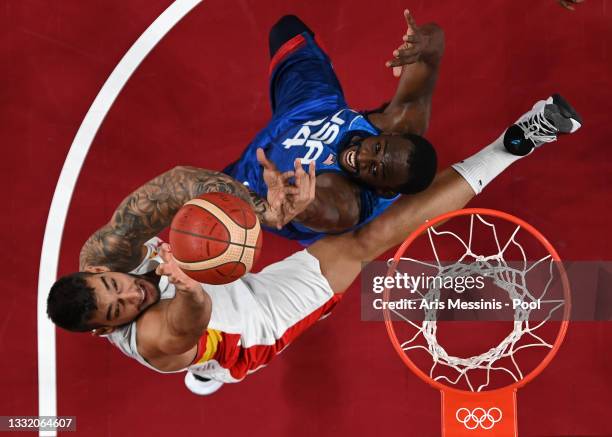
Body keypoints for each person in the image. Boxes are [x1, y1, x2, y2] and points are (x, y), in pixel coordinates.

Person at [46, 88, 582, 395]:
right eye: (118, 310)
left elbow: (177, 182)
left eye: (115, 286)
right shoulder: (154, 341)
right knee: (362, 243)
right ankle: (515, 144)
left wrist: (256, 209)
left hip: (203, 290)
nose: (130, 296)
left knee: (342, 231)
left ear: (97, 271)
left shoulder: (106, 252)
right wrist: (185, 283)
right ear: (104, 332)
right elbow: (194, 315)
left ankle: (511, 144)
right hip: (239, 328)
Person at [223, 11, 443, 245]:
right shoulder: (404, 122)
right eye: (377, 146)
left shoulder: (348, 203)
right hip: (314, 109)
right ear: (390, 135)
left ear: (384, 191)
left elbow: (327, 211)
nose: (363, 157)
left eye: (376, 171)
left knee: (191, 199)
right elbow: (434, 47)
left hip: (262, 176)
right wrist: (422, 43)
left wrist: (301, 206)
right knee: (287, 30)